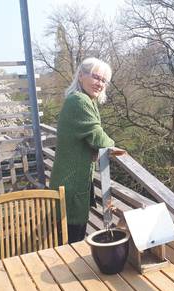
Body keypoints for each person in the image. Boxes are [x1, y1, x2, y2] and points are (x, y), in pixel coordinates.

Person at [50, 57, 115, 243]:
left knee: (71, 238)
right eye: (96, 77)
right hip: (69, 186)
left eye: (104, 80)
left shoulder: (87, 100)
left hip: (71, 183)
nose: (100, 83)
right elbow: (99, 138)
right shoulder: (78, 101)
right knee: (70, 243)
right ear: (81, 76)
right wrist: (113, 145)